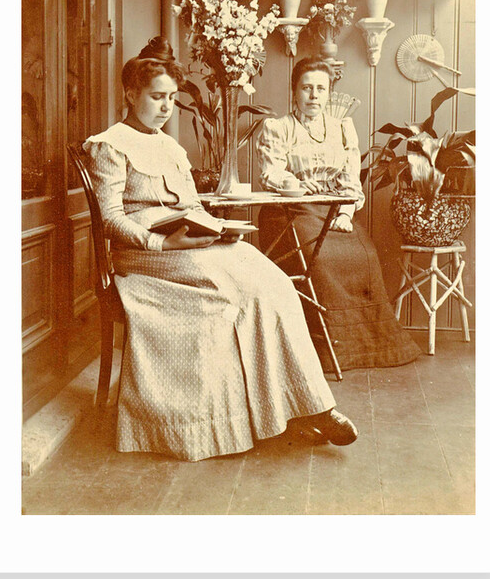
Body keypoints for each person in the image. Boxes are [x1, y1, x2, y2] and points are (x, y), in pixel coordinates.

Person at [82, 36, 358, 462]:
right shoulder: (109, 144)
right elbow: (110, 220)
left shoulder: (170, 146)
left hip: (186, 243)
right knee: (236, 293)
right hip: (144, 256)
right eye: (156, 97)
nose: (166, 107)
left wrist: (218, 227)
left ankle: (303, 406)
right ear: (131, 94)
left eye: (171, 98)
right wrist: (161, 241)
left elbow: (191, 205)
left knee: (275, 283)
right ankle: (267, 417)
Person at [256, 57, 421, 372]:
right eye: (306, 88)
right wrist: (294, 185)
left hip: (334, 209)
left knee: (365, 256)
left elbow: (349, 179)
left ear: (329, 93)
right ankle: (327, 351)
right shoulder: (278, 128)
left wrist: (345, 213)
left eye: (321, 89)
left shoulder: (341, 128)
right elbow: (271, 173)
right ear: (294, 91)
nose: (313, 96)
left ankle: (370, 348)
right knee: (319, 259)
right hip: (291, 211)